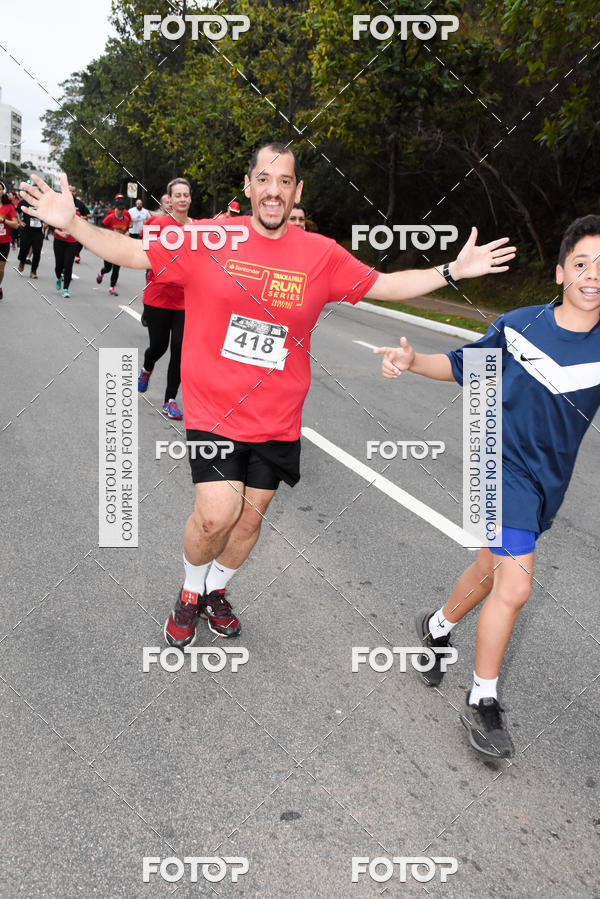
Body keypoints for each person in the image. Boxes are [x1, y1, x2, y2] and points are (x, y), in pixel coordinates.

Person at [19, 142, 514, 646]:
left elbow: (384, 285)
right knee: (216, 515)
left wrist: (453, 271)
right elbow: (133, 252)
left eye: (284, 181)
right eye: (264, 179)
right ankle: (189, 592)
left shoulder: (320, 254)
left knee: (248, 522)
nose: (273, 191)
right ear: (249, 185)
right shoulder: (211, 238)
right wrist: (74, 223)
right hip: (214, 409)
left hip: (278, 416)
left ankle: (215, 589)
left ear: (297, 190)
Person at [375, 214, 600, 760]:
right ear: (560, 272)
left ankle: (436, 627)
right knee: (516, 586)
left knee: (490, 570)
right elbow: (462, 367)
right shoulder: (521, 325)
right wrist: (412, 360)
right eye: (582, 263)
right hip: (497, 467)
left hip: (547, 483)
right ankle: (482, 699)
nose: (593, 275)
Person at [138, 178, 192, 420]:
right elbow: (143, 253)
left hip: (185, 300)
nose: (182, 199)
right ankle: (147, 367)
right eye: (177, 195)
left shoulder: (198, 229)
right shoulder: (157, 224)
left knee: (179, 348)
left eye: (186, 195)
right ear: (170, 199)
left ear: (190, 198)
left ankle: (170, 400)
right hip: (158, 296)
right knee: (159, 347)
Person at [96, 196, 131, 295]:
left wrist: (127, 233)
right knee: (108, 268)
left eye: (122, 209)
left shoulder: (126, 219)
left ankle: (112, 287)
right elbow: (101, 229)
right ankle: (101, 272)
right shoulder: (110, 218)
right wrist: (111, 233)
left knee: (116, 268)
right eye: (119, 209)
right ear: (115, 208)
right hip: (109, 246)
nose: (121, 211)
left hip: (119, 247)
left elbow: (127, 230)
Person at [53, 202, 83, 297]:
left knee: (68, 266)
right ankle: (58, 277)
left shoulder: (77, 214)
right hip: (59, 241)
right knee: (59, 266)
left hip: (72, 243)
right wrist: (60, 233)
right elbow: (51, 226)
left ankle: (66, 289)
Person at [17, 196, 44, 278]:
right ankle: (22, 262)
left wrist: (46, 223)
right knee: (23, 249)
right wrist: (20, 221)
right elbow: (17, 212)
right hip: (26, 231)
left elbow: (47, 213)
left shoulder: (42, 202)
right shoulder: (24, 201)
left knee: (37, 252)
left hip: (38, 232)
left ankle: (33, 271)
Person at [0, 190, 19, 299]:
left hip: (4, 242)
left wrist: (3, 220)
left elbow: (16, 225)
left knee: (1, 269)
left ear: (2, 191)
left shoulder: (8, 207)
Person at [69, 186, 90, 264]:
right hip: (66, 227)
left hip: (78, 227)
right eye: (69, 191)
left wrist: (82, 217)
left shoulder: (79, 203)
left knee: (80, 242)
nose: (71, 193)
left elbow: (88, 215)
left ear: (75, 192)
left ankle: (77, 254)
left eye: (73, 191)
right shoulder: (62, 201)